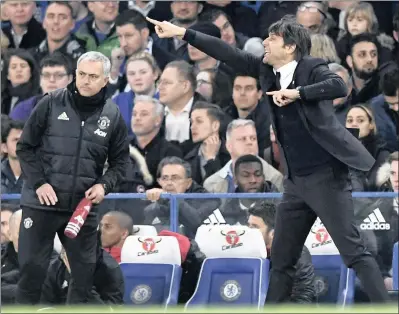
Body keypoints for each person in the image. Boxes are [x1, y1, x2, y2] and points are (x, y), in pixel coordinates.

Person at [146, 14, 390, 302]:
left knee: (354, 253)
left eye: (272, 38)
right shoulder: (265, 70)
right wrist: (182, 32)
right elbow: (226, 51)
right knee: (283, 259)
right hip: (296, 182)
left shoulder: (311, 67)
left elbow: (339, 86)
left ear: (289, 48)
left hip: (326, 177)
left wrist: (298, 93)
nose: (265, 41)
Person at [15, 51, 129, 304]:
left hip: (81, 208)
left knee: (83, 274)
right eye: (81, 74)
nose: (86, 80)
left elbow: (121, 162)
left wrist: (103, 185)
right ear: (75, 74)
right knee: (32, 271)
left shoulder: (112, 115)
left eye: (93, 76)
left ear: (105, 80)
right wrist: (40, 183)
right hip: (40, 204)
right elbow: (25, 148)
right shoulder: (50, 102)